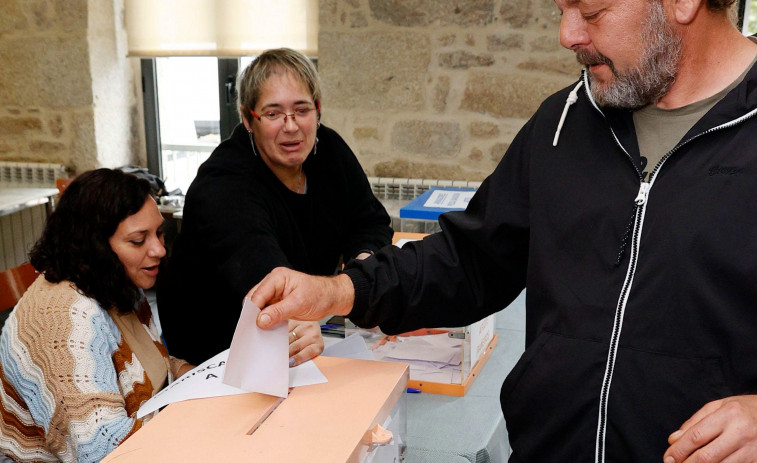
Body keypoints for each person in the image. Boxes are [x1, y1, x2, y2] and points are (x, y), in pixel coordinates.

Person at [248, 1, 757, 462]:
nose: (567, 34)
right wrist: (340, 290)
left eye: (591, 12)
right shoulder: (563, 123)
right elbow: (469, 259)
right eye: (563, 8)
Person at [157, 48, 393, 366]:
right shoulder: (223, 182)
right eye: (272, 113)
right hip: (216, 352)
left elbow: (370, 221)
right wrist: (304, 312)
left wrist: (362, 266)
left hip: (299, 330)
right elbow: (264, 275)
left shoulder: (329, 150)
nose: (291, 126)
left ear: (318, 110)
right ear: (247, 118)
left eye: (302, 109)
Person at [0, 169, 195, 463]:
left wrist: (201, 376)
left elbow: (153, 367)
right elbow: (102, 451)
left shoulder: (115, 280)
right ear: (95, 245)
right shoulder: (60, 322)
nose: (159, 249)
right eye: (138, 240)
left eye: (158, 233)